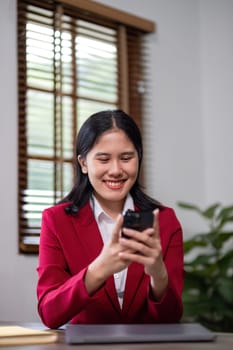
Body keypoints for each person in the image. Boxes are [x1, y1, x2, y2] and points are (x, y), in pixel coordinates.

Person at [36, 109, 184, 329]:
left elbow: (171, 319)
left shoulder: (165, 221)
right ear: (84, 163)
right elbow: (49, 313)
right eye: (103, 159)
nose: (115, 170)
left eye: (126, 158)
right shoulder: (57, 220)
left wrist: (158, 275)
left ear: (138, 159)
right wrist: (99, 270)